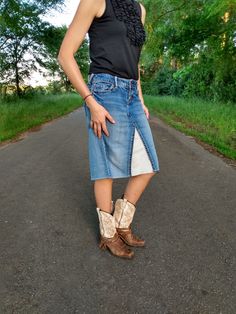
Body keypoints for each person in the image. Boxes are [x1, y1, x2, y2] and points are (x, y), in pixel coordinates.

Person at [57, 0, 160, 259]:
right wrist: (90, 101)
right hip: (104, 90)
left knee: (148, 166)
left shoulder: (140, 9)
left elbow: (133, 60)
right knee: (106, 167)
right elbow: (65, 55)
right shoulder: (95, 1)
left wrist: (140, 99)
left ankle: (122, 222)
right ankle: (109, 233)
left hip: (131, 93)